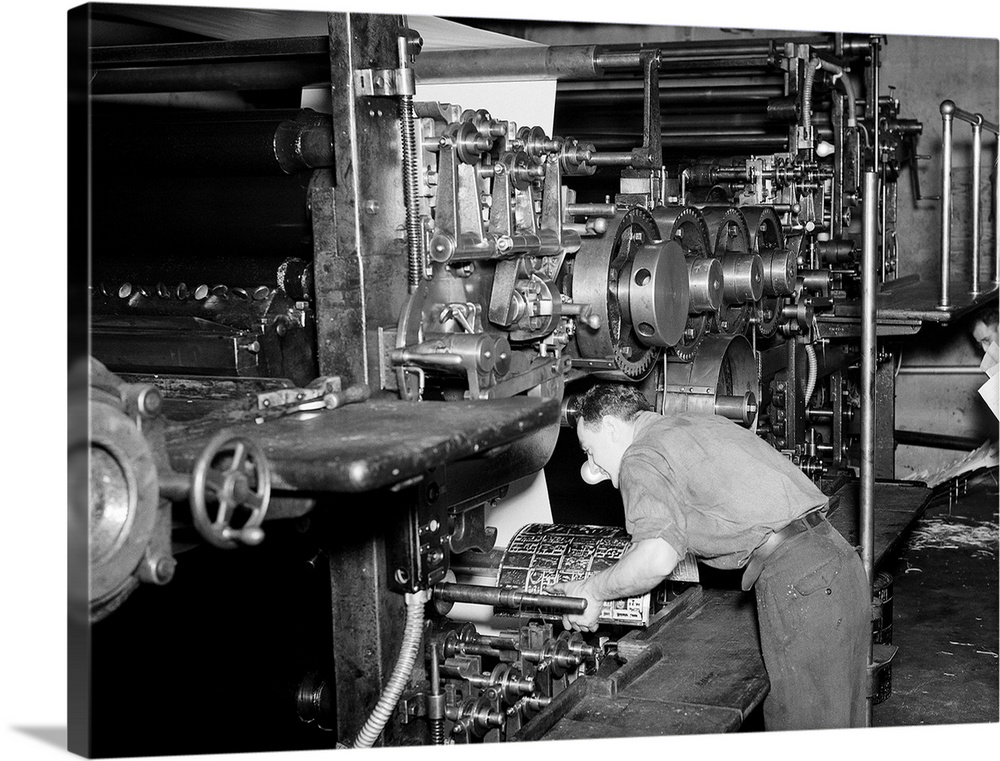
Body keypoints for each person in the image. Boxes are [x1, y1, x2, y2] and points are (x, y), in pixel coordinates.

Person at [549, 383, 870, 731]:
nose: (592, 468)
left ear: (611, 428)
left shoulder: (640, 456)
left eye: (590, 450)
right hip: (838, 565)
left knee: (805, 738)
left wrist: (593, 591)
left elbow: (657, 558)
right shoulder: (690, 425)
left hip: (802, 584)